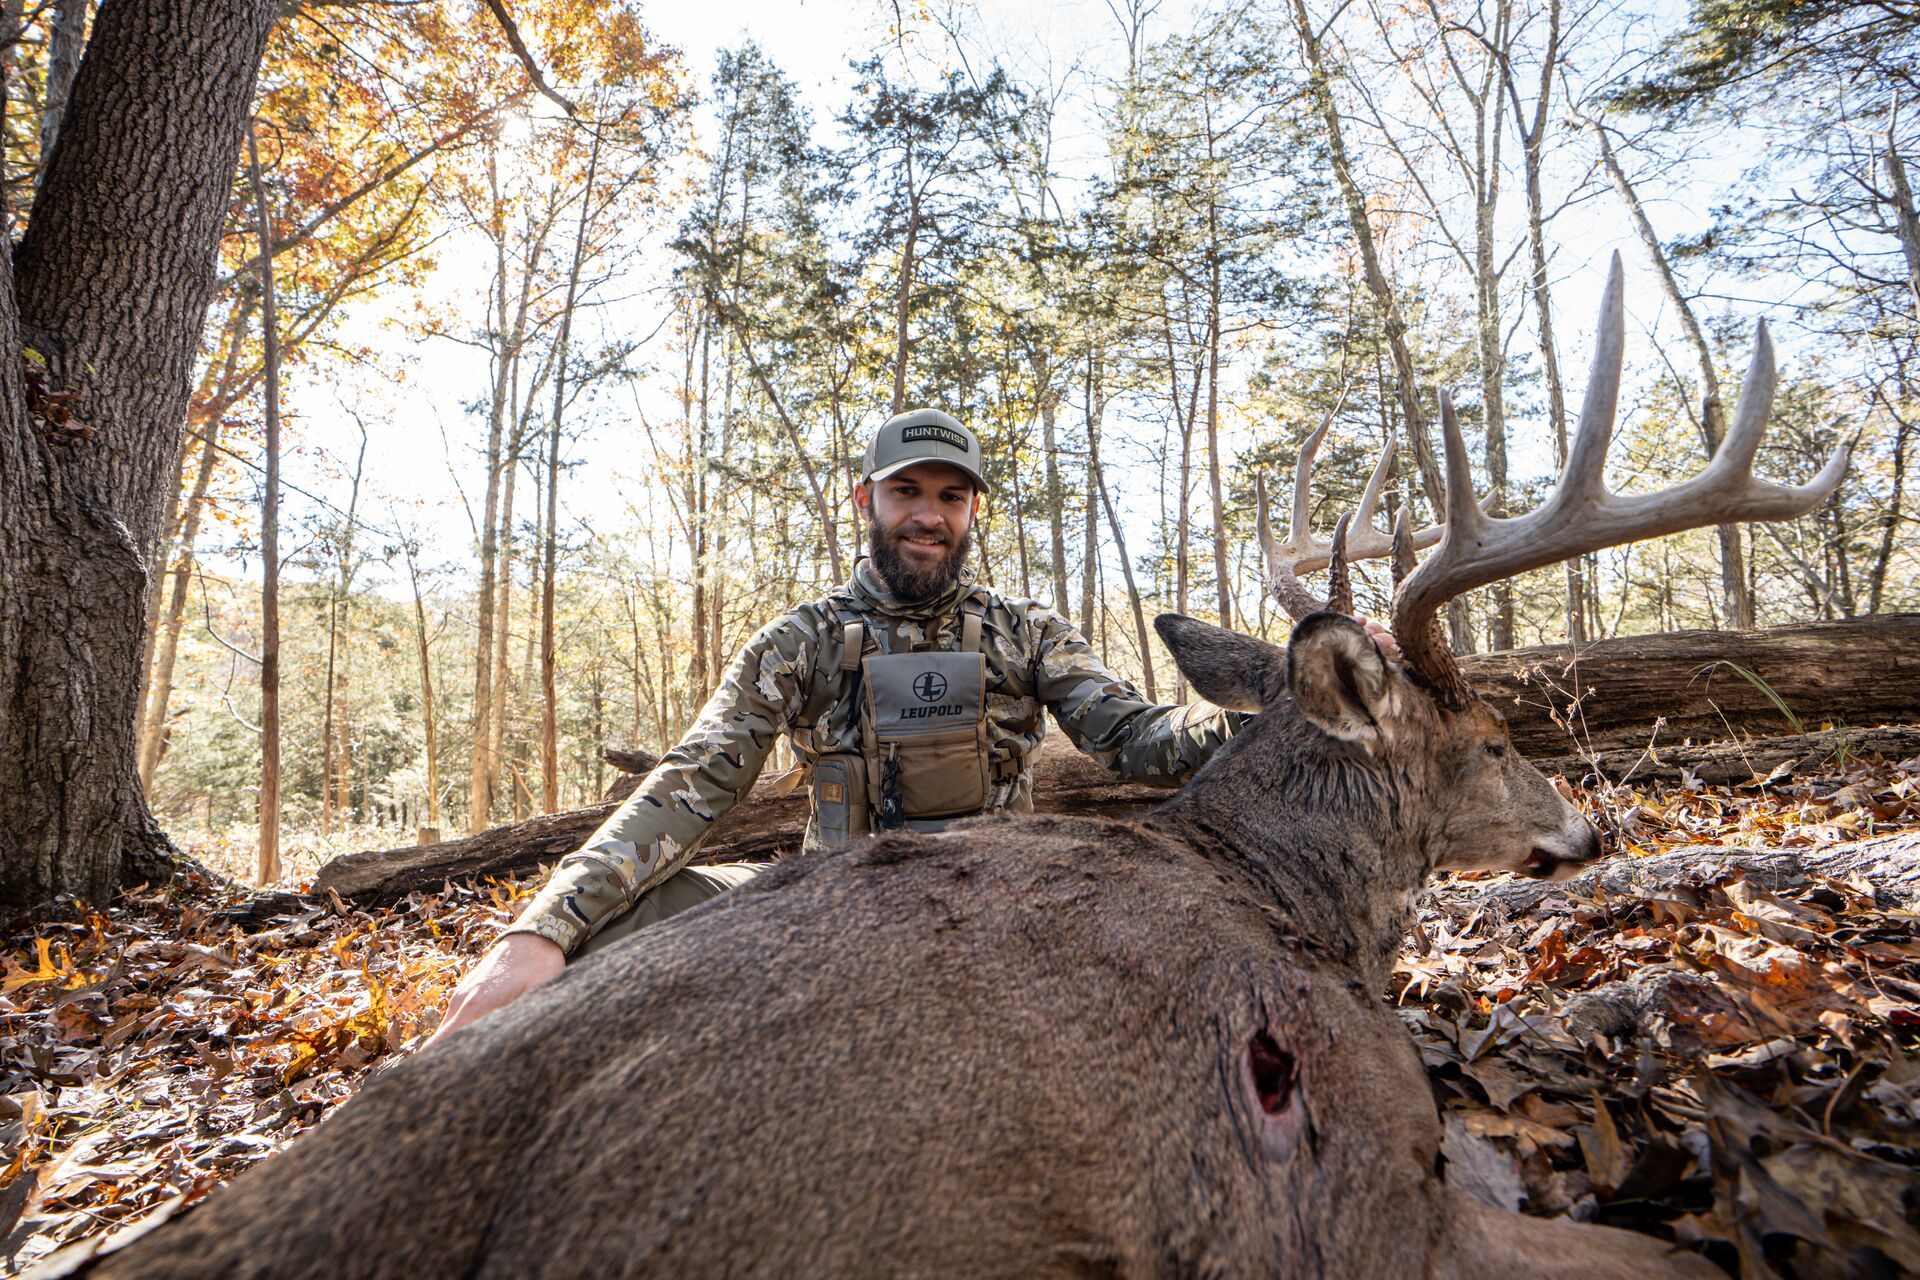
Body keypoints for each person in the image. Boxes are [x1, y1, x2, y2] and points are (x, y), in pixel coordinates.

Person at [430, 408, 1398, 1043]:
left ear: (972, 509)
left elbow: (1134, 736)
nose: (926, 515)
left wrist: (1279, 712)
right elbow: (693, 780)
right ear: (868, 500)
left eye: (949, 495)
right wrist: (543, 926)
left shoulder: (1026, 631)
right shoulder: (798, 640)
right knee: (624, 920)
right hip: (826, 903)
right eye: (907, 491)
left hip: (1004, 907)